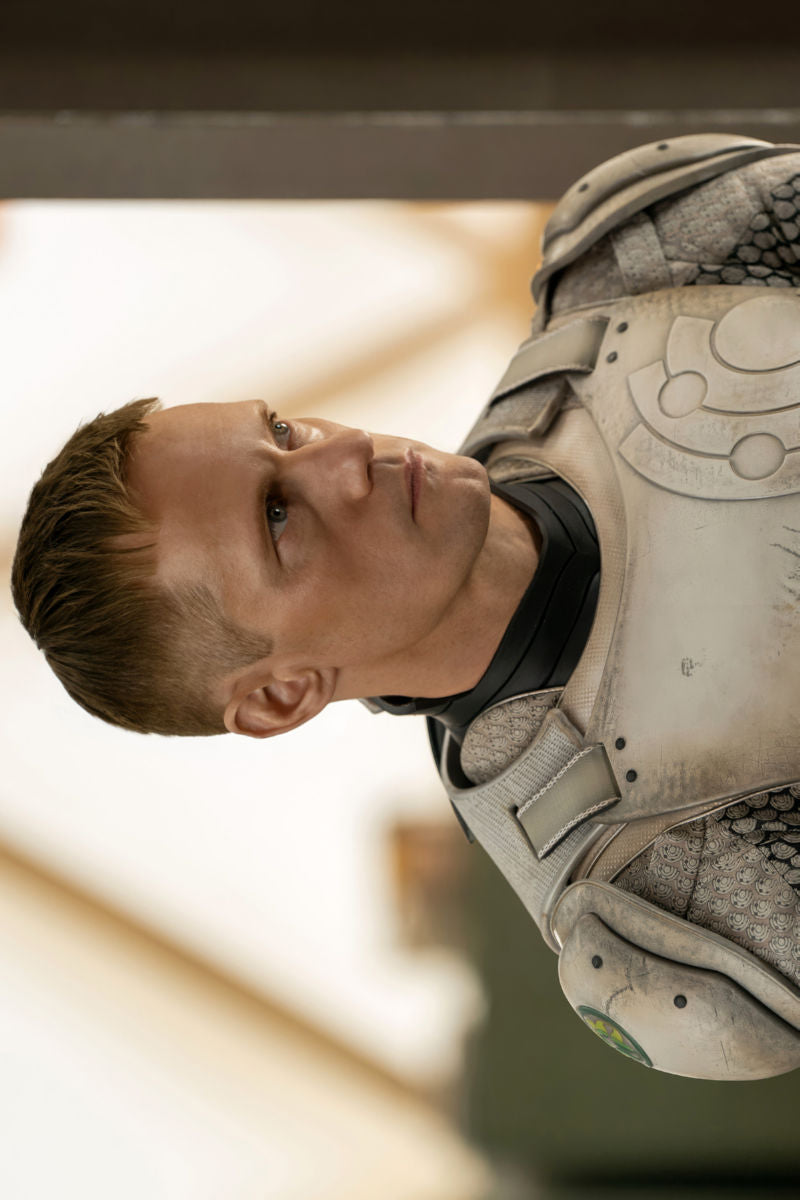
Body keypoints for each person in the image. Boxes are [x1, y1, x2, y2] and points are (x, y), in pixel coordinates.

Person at [12, 132, 800, 1080]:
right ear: (281, 695)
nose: (346, 457)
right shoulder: (677, 908)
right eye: (278, 516)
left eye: (282, 430)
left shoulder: (644, 255)